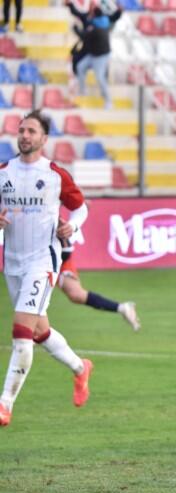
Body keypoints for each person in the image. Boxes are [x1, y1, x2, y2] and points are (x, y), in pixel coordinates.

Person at [0, 110, 93, 427]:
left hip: (43, 261)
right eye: (21, 130)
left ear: (44, 138)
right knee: (40, 331)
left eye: (31, 131)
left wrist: (72, 227)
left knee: (22, 330)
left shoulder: (55, 175)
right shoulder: (4, 172)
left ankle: (5, 403)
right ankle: (81, 368)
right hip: (13, 261)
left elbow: (80, 208)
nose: (25, 136)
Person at [57, 238, 141, 331]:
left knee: (76, 294)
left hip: (52, 256)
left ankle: (122, 308)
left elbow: (66, 250)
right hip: (47, 257)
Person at [68, 1, 121, 109]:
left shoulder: (95, 26)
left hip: (101, 56)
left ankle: (108, 101)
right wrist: (70, 5)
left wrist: (75, 29)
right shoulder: (101, 22)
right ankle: (83, 91)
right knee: (80, 67)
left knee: (100, 77)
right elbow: (78, 14)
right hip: (92, 54)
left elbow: (83, 35)